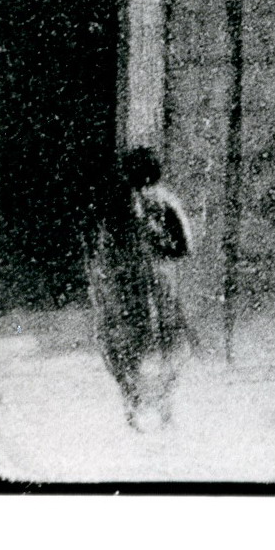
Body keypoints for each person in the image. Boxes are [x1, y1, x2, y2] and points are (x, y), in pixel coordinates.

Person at [87, 146, 191, 429]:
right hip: (158, 283)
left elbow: (103, 250)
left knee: (125, 345)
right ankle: (163, 406)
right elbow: (183, 246)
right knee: (166, 341)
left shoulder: (116, 205)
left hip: (127, 286)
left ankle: (133, 403)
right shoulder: (165, 202)